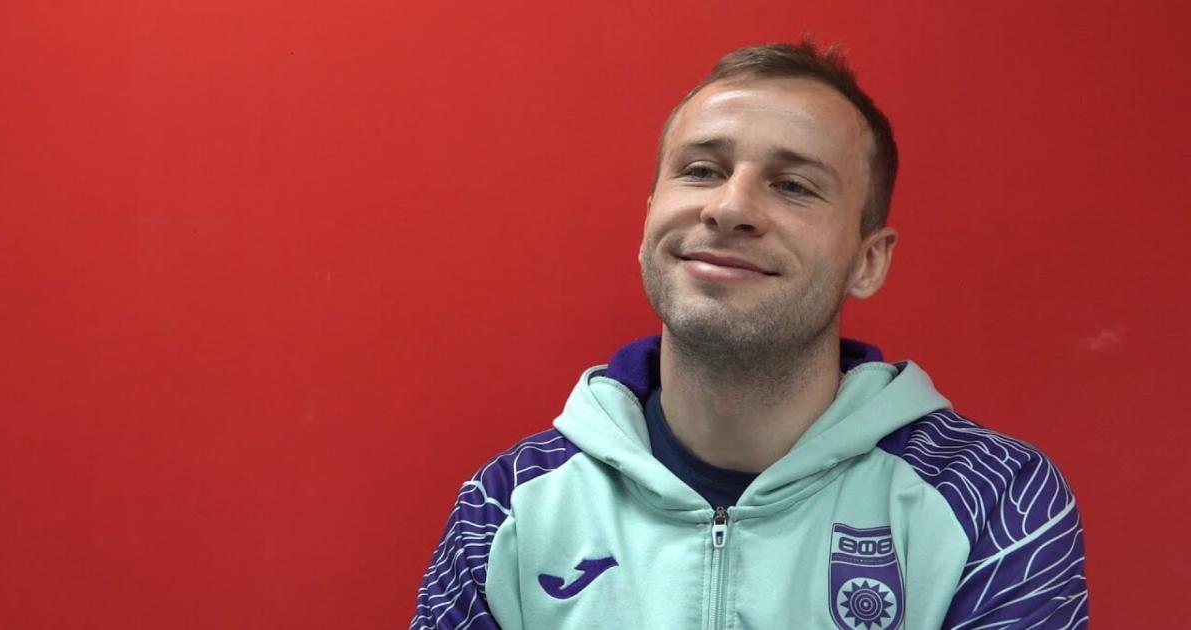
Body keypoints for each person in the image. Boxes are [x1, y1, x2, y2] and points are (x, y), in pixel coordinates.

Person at [411, 40, 1088, 630]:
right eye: (701, 170)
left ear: (868, 260)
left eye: (793, 186)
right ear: (648, 221)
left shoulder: (993, 500)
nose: (730, 207)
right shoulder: (508, 507)